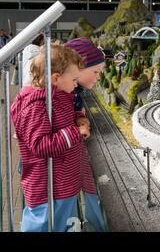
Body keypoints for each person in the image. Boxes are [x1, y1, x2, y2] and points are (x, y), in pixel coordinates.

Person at [10, 44, 90, 232]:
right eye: (74, 79)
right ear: (56, 78)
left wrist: (79, 117)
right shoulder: (37, 107)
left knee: (62, 225)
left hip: (63, 183)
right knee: (43, 225)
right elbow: (40, 145)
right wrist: (75, 132)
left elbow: (65, 117)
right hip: (49, 190)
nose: (76, 84)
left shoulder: (58, 95)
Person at [65, 37, 107, 232]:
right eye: (95, 71)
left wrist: (80, 119)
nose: (98, 77)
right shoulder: (63, 94)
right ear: (78, 69)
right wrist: (78, 128)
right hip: (59, 172)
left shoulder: (74, 92)